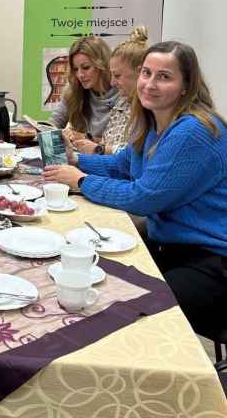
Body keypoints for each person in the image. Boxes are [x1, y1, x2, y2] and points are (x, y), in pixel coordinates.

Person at [44, 41, 227, 337]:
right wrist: (75, 159)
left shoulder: (193, 131)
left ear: (186, 86)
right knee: (93, 276)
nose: (150, 84)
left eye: (164, 76)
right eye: (146, 73)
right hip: (169, 246)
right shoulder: (154, 122)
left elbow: (144, 197)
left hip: (210, 262)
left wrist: (80, 181)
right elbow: (121, 165)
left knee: (133, 322)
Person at [73, 26, 149, 155]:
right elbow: (107, 144)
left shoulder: (150, 111)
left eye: (118, 76)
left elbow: (134, 156)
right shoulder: (123, 103)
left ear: (140, 72)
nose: (113, 82)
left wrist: (97, 150)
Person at [49, 35, 119, 141]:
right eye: (76, 69)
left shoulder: (123, 91)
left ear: (102, 65)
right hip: (81, 154)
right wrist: (43, 130)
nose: (80, 75)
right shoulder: (74, 88)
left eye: (86, 67)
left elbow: (121, 145)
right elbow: (56, 120)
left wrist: (84, 138)